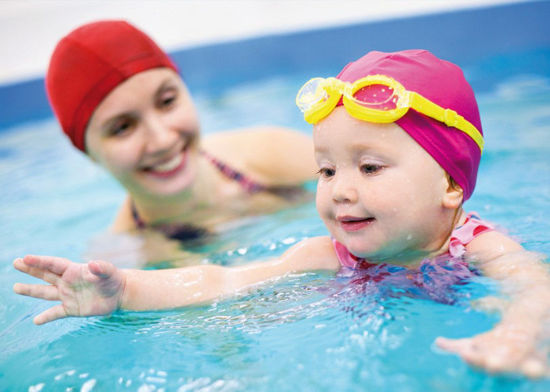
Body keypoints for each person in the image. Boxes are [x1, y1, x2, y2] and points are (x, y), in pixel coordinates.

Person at [14, 50, 550, 377]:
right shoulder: (328, 253)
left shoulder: (476, 245)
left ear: (452, 184)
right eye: (326, 171)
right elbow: (223, 281)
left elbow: (536, 286)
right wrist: (125, 291)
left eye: (367, 167)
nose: (339, 191)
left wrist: (515, 332)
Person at [45, 20, 316, 262]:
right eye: (123, 127)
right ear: (88, 153)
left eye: (167, 102)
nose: (162, 140)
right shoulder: (123, 260)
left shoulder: (275, 153)